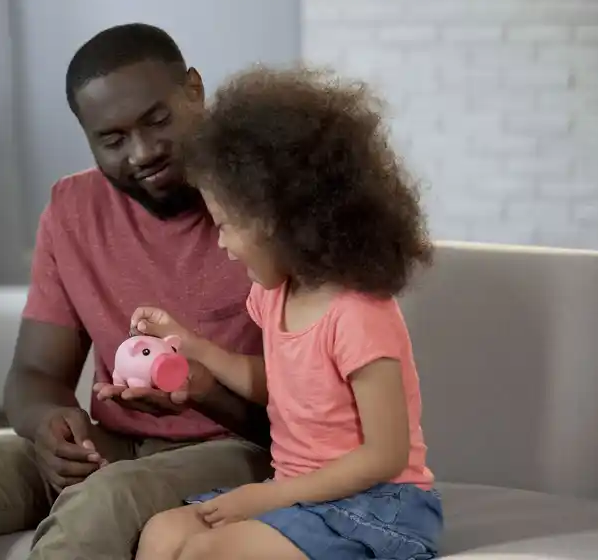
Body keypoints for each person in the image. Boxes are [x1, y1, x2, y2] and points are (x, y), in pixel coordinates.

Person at [0, 23, 272, 560]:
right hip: (121, 446)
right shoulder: (73, 209)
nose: (143, 151)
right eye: (113, 139)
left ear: (194, 89)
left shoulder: (267, 201)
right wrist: (48, 427)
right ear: (87, 136)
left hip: (241, 450)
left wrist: (204, 392)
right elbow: (35, 375)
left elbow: (306, 413)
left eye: (157, 120)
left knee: (104, 499)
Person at [131, 66, 443, 560]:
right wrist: (196, 348)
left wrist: (271, 495)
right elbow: (286, 387)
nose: (223, 244)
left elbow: (387, 454)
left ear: (285, 219)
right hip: (299, 494)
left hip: (379, 504)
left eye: (228, 226)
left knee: (206, 553)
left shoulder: (360, 314)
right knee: (162, 535)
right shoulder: (275, 295)